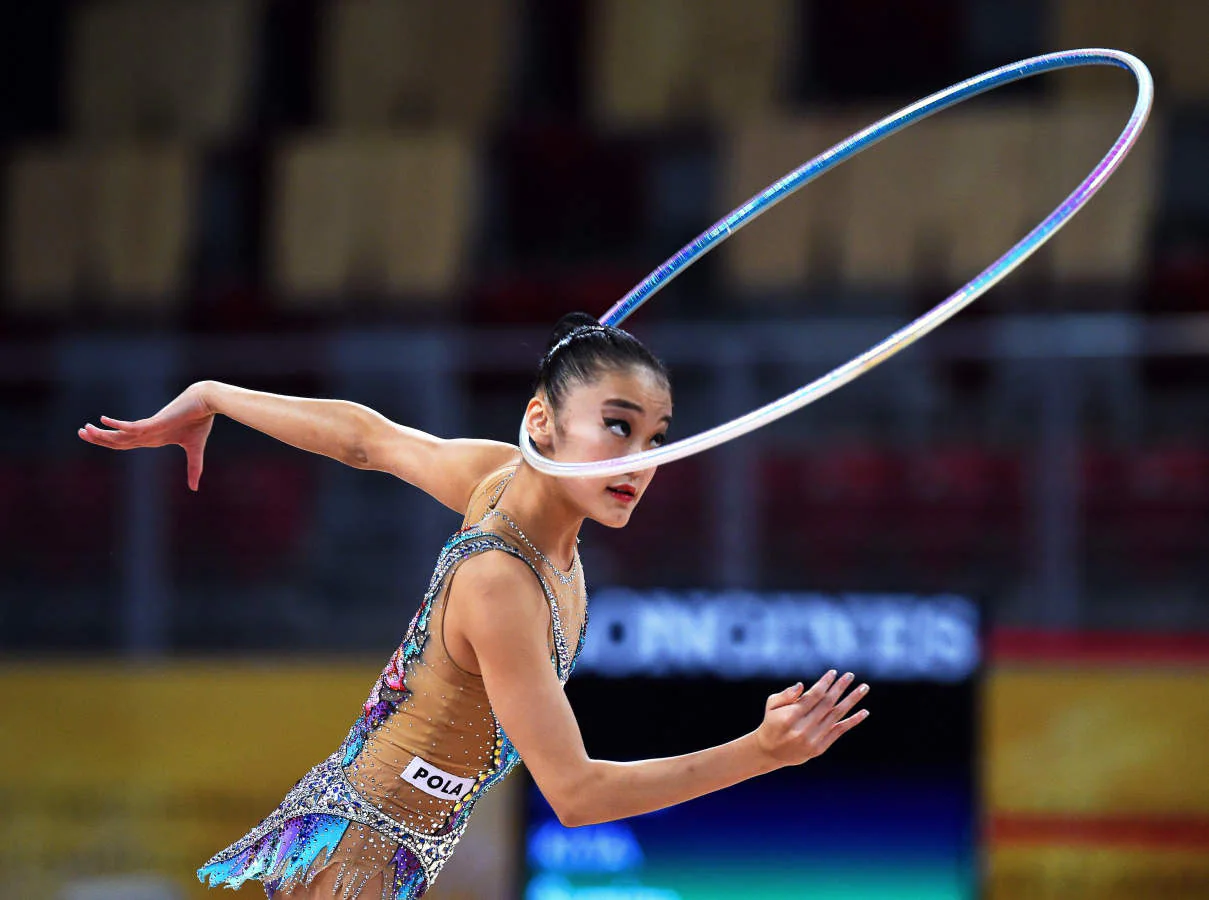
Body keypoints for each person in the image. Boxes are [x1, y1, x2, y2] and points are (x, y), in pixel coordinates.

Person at [78, 313, 870, 899]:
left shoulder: (511, 491)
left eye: (657, 436)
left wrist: (219, 396)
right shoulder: (500, 580)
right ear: (541, 425)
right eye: (618, 428)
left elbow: (369, 441)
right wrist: (760, 753)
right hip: (354, 854)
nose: (642, 460)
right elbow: (578, 795)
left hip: (396, 851)